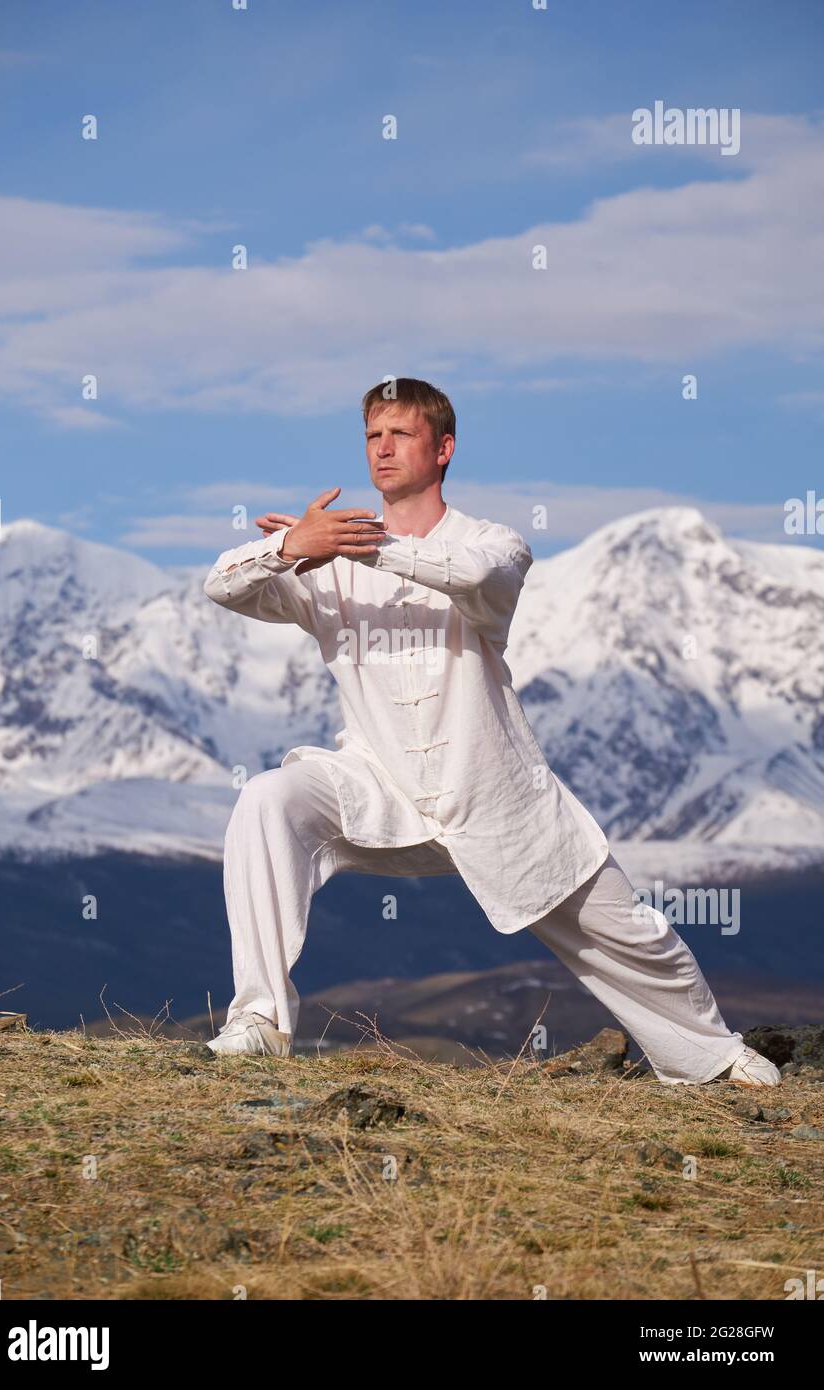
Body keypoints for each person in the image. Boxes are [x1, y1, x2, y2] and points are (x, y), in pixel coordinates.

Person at [201, 378, 779, 1088]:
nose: (382, 450)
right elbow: (221, 586)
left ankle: (711, 1059)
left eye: (401, 435)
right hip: (377, 787)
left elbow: (476, 575)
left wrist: (361, 549)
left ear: (443, 449)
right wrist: (291, 545)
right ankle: (258, 1022)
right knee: (268, 799)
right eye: (372, 437)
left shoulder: (493, 544)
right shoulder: (322, 564)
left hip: (498, 800)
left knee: (630, 934)